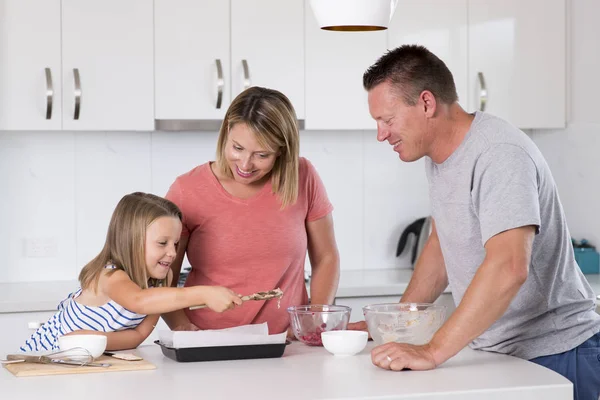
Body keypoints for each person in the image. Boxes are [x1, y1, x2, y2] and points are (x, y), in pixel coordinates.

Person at [352, 44, 600, 400]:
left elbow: (509, 266)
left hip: (557, 353)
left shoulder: (498, 154)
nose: (381, 134)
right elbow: (441, 246)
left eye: (387, 120)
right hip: (502, 354)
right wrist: (398, 326)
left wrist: (432, 350)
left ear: (426, 103)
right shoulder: (439, 157)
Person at [162, 86, 340, 336]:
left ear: (281, 150)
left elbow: (326, 257)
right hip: (209, 341)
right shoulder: (187, 190)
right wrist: (182, 327)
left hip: (288, 344)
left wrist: (315, 319)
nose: (245, 164)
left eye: (261, 154)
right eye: (237, 148)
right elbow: (161, 274)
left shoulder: (303, 177)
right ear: (226, 133)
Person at [20, 192, 242, 353]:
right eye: (162, 243)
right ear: (131, 242)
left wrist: (95, 341)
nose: (173, 253)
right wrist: (203, 294)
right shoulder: (108, 276)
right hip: (43, 355)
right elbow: (139, 301)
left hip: (84, 358)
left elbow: (137, 336)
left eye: (175, 244)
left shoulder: (162, 280)